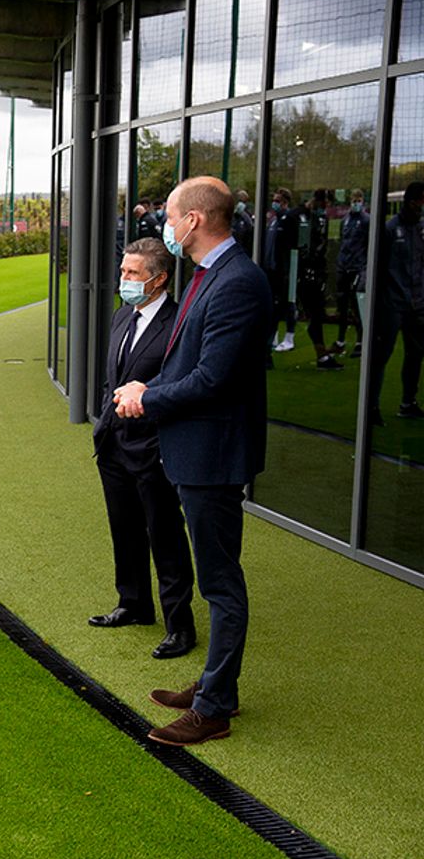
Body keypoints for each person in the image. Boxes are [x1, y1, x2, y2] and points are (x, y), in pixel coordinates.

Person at [113, 175, 274, 747]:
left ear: (194, 221)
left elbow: (213, 379)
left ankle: (215, 708)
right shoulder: (210, 273)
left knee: (221, 584)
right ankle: (213, 685)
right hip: (194, 451)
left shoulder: (237, 282)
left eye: (169, 216)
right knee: (214, 577)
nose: (165, 226)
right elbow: (189, 362)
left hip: (214, 455)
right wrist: (147, 384)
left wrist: (146, 397)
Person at [90, 238, 196, 660]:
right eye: (123, 271)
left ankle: (179, 626)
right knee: (124, 529)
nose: (124, 279)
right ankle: (133, 604)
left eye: (132, 273)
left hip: (154, 449)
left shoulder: (178, 324)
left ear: (159, 279)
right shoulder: (123, 316)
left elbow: (179, 385)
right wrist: (105, 421)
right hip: (113, 446)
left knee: (165, 536)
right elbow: (112, 378)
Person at [370, 181, 424, 424]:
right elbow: (379, 267)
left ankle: (408, 402)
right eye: (420, 201)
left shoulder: (421, 230)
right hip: (392, 303)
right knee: (382, 354)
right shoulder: (391, 229)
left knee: (416, 353)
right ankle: (372, 406)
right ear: (411, 201)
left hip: (416, 302)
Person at [298, 189, 342, 370]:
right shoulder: (302, 218)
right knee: (311, 313)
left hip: (312, 273)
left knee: (315, 314)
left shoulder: (319, 220)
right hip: (302, 274)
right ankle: (321, 355)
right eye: (325, 204)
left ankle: (322, 354)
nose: (326, 208)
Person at [334, 189, 369, 357]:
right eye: (354, 200)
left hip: (358, 267)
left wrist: (364, 266)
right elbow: (343, 241)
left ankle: (361, 340)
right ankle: (340, 339)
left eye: (359, 200)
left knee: (356, 305)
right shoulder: (345, 220)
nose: (356, 203)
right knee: (342, 304)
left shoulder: (367, 220)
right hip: (344, 266)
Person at [263, 188, 297, 352]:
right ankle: (274, 336)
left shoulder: (288, 220)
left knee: (287, 302)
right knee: (272, 304)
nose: (274, 203)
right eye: (274, 200)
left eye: (277, 201)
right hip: (271, 268)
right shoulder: (273, 220)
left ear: (285, 202)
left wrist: (287, 268)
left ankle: (289, 337)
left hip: (283, 270)